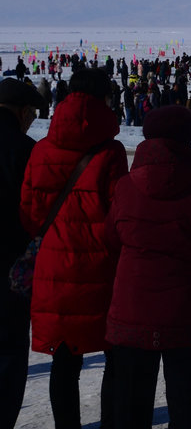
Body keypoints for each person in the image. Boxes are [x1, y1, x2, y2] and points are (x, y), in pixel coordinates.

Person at [105, 105, 191, 428]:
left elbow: (110, 239)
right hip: (189, 316)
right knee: (189, 410)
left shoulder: (125, 187)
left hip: (132, 314)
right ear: (189, 138)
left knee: (129, 409)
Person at [20, 68, 129, 429]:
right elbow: (119, 213)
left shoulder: (42, 148)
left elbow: (30, 212)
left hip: (55, 266)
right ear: (104, 98)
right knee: (114, 354)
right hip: (103, 268)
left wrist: (55, 239)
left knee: (64, 361)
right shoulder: (111, 151)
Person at [1, 78, 48, 429]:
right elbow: (36, 215)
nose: (33, 118)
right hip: (10, 273)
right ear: (20, 112)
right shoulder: (26, 151)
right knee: (9, 353)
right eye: (32, 112)